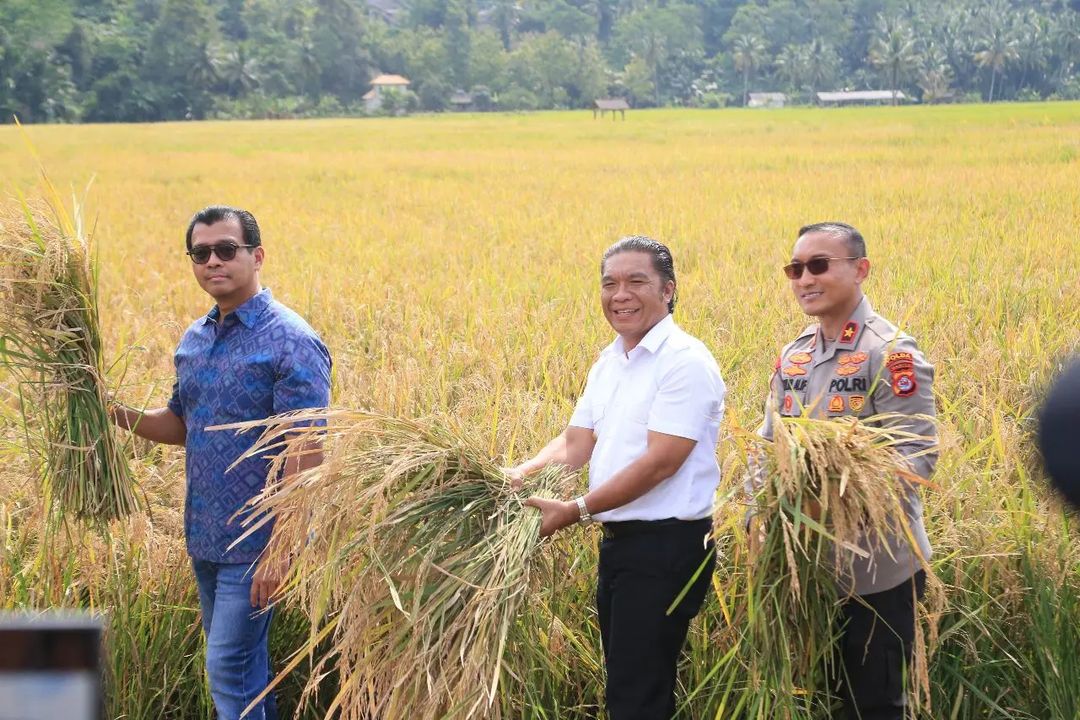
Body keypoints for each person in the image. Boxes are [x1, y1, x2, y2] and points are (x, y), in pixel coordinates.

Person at [110, 206, 331, 720]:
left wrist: (283, 548)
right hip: (205, 535)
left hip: (257, 541)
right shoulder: (196, 339)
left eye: (226, 250)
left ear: (257, 256)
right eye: (201, 253)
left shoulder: (290, 340)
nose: (213, 261)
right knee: (241, 669)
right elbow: (181, 425)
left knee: (228, 667)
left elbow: (307, 452)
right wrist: (109, 410)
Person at [510, 235, 726, 720]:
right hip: (622, 544)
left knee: (637, 696)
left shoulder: (684, 362)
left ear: (668, 290)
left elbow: (661, 462)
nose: (619, 294)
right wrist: (516, 477)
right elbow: (575, 443)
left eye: (636, 282)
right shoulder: (611, 360)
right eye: (609, 284)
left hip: (668, 546)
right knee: (627, 685)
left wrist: (577, 510)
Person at [755, 222, 937, 720]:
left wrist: (831, 498)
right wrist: (752, 512)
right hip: (807, 570)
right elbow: (766, 446)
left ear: (861, 270)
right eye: (795, 269)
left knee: (875, 705)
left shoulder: (891, 352)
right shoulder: (795, 356)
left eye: (819, 265)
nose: (804, 279)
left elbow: (917, 458)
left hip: (878, 571)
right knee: (823, 699)